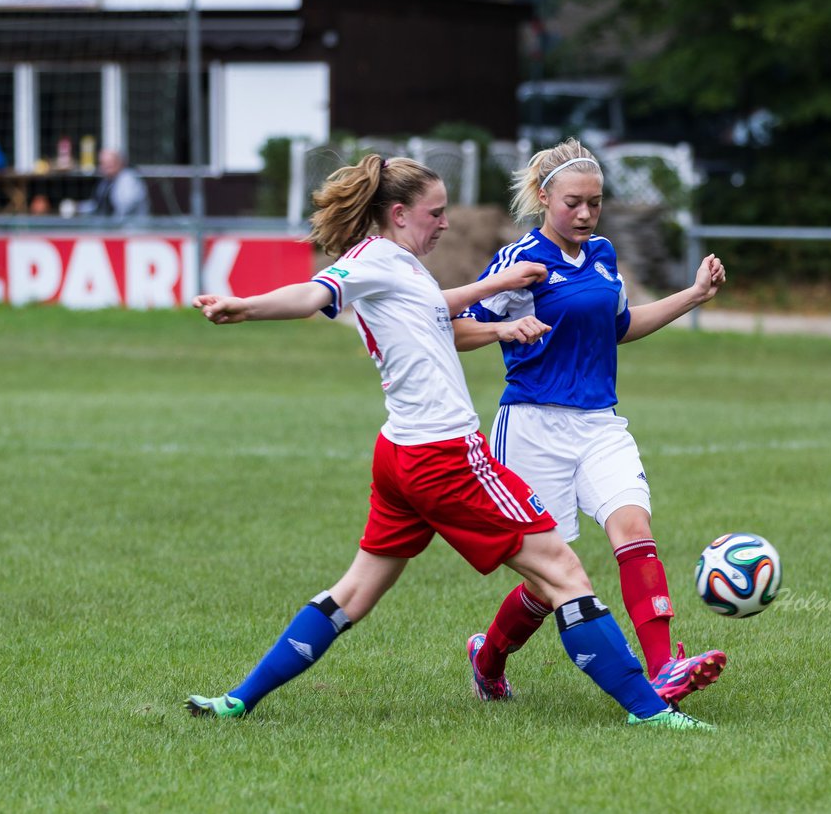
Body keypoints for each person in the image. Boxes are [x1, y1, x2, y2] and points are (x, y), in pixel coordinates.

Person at [184, 154, 712, 732]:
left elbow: (436, 310)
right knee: (564, 574)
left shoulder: (399, 265)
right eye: (435, 214)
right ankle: (651, 711)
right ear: (399, 213)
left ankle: (239, 699)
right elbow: (312, 295)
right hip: (446, 456)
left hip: (399, 455)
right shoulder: (372, 263)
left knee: (354, 592)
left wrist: (500, 301)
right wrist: (245, 306)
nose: (444, 225)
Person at [453, 137, 729, 707]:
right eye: (573, 202)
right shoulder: (520, 263)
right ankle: (489, 658)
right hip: (532, 426)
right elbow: (453, 330)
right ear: (544, 198)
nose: (584, 213)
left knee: (634, 529)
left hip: (600, 424)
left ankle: (663, 669)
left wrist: (694, 295)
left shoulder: (602, 254)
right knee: (545, 583)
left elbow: (619, 325)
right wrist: (504, 329)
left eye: (595, 203)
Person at [80, 148, 149, 222]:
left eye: (110, 164)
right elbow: (98, 205)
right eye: (103, 164)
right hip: (110, 228)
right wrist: (79, 208)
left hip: (130, 228)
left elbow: (124, 209)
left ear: (120, 163)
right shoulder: (106, 182)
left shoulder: (129, 180)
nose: (105, 168)